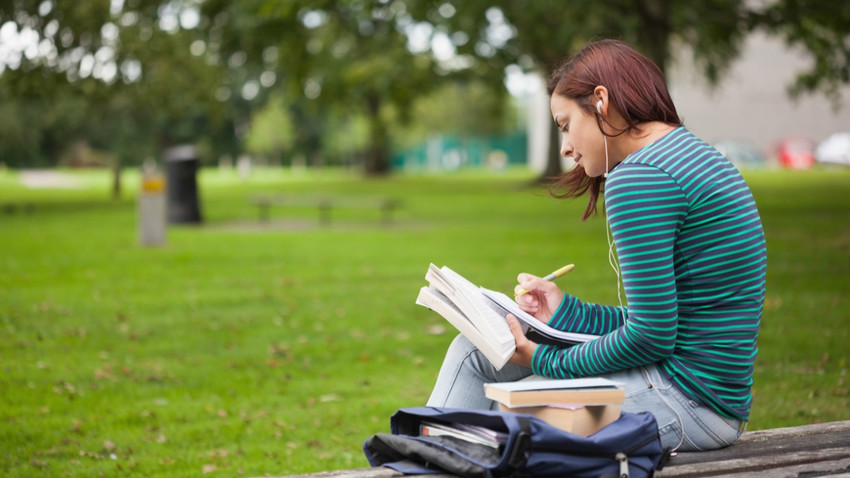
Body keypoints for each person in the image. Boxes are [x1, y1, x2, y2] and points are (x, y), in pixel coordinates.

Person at [426, 39, 767, 452]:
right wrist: (568, 313)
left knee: (506, 421)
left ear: (601, 101)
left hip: (689, 401)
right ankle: (429, 460)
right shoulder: (694, 154)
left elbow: (651, 338)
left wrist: (540, 360)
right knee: (474, 354)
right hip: (697, 390)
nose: (566, 147)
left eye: (566, 124)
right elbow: (667, 321)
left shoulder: (640, 178)